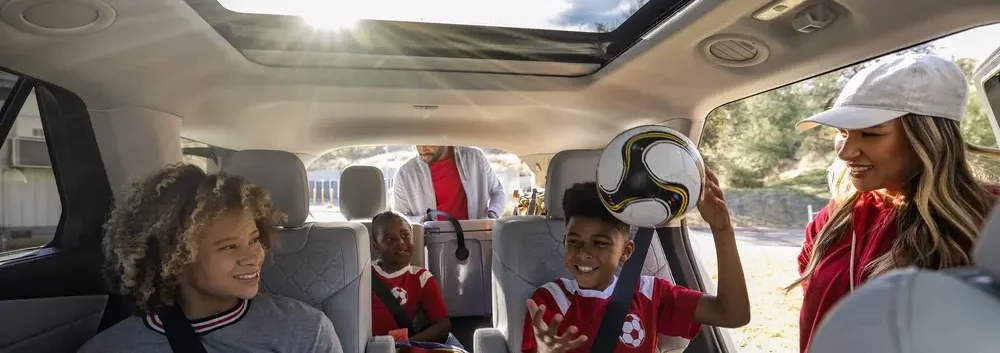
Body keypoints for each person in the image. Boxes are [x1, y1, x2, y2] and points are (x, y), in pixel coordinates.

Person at [789, 54, 1000, 353]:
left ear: (928, 138)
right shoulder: (832, 220)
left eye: (871, 134)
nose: (845, 152)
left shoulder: (989, 221)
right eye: (841, 132)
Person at [78, 164, 342, 353]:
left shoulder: (304, 331)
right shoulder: (111, 347)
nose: (253, 256)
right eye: (228, 247)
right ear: (175, 259)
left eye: (253, 238)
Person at [522, 169, 751, 353]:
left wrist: (722, 230)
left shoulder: (651, 293)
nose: (584, 253)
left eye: (600, 243)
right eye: (574, 242)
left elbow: (732, 314)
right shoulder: (549, 300)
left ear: (626, 251)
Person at [369, 210, 464, 348]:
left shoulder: (421, 278)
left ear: (414, 238)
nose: (401, 242)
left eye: (405, 235)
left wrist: (407, 344)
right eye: (390, 239)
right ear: (376, 246)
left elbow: (442, 325)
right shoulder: (364, 275)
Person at [391, 145, 506, 222]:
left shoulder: (475, 158)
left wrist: (492, 215)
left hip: (476, 239)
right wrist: (424, 221)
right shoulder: (404, 174)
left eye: (429, 140)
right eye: (418, 141)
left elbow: (497, 191)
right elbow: (399, 218)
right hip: (431, 246)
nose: (422, 147)